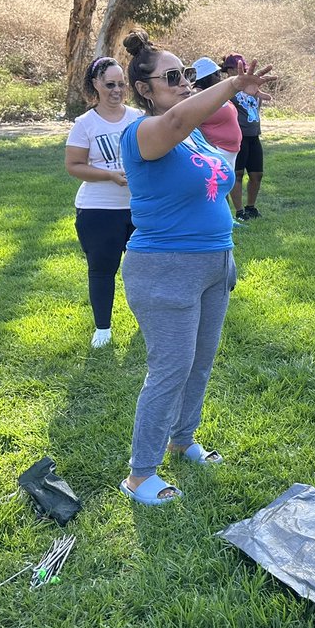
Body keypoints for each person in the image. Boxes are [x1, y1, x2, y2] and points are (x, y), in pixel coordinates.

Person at [117, 29, 272, 506]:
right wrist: (230, 85)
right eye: (172, 76)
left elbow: (215, 170)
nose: (185, 82)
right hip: (165, 267)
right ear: (145, 89)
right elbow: (182, 117)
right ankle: (140, 474)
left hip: (213, 263)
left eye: (187, 73)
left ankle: (183, 440)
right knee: (171, 368)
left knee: (199, 364)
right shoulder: (144, 132)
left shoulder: (195, 140)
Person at [64, 56, 143, 348]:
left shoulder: (138, 117)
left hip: (140, 208)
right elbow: (74, 165)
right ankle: (103, 328)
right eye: (110, 84)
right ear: (96, 84)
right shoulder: (85, 123)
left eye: (121, 84)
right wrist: (110, 175)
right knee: (102, 269)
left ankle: (146, 321)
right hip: (99, 210)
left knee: (146, 268)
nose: (117, 90)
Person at [224, 53, 271, 222]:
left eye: (243, 67)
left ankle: (251, 207)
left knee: (257, 174)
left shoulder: (251, 87)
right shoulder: (227, 88)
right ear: (227, 70)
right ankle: (240, 211)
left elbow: (255, 109)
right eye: (233, 68)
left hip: (254, 135)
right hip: (239, 136)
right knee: (237, 174)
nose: (239, 71)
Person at [192, 56, 243, 172]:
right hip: (217, 150)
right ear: (206, 77)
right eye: (216, 74)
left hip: (230, 151)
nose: (220, 77)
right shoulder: (197, 95)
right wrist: (210, 147)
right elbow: (193, 125)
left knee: (225, 186)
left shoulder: (217, 92)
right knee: (217, 187)